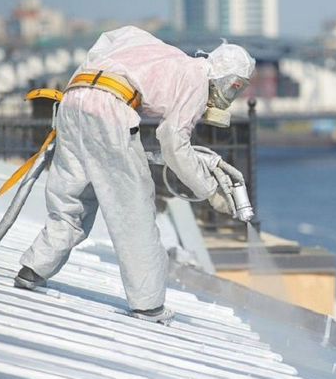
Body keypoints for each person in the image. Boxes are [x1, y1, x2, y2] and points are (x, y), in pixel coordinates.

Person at [14, 26, 255, 323]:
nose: (233, 95)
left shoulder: (156, 50)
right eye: (237, 87)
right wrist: (210, 191)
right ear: (228, 79)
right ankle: (147, 303)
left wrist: (83, 96)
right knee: (134, 209)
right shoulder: (197, 78)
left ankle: (34, 269)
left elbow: (108, 39)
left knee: (71, 198)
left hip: (73, 98)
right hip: (111, 109)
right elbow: (173, 143)